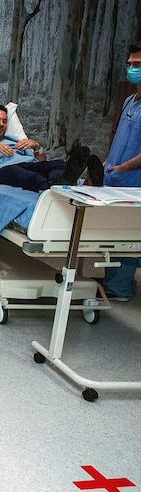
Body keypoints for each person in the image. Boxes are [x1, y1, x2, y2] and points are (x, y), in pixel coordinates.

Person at [0, 105, 97, 192]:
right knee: (34, 179)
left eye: (5, 121)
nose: (1, 124)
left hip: (29, 163)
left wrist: (37, 147)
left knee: (59, 165)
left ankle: (69, 182)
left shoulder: (14, 140)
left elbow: (42, 162)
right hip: (2, 169)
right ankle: (68, 187)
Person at [101, 40, 141, 302]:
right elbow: (121, 137)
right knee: (112, 234)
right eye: (129, 64)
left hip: (133, 180)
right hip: (114, 176)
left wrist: (124, 167)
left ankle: (119, 289)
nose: (131, 69)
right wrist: (108, 162)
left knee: (127, 236)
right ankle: (117, 282)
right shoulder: (130, 100)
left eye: (137, 65)